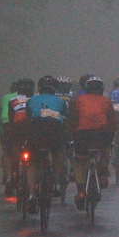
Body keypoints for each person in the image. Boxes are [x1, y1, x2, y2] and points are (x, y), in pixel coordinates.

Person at [68, 76, 117, 210]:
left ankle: (81, 191)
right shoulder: (106, 101)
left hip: (82, 135)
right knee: (105, 149)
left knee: (79, 160)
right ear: (101, 89)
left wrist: (72, 136)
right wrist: (110, 138)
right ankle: (102, 174)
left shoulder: (79, 100)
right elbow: (112, 123)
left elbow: (73, 121)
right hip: (101, 134)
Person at [26, 75, 68, 208]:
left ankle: (31, 194)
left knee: (32, 161)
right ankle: (55, 182)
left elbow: (28, 118)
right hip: (54, 129)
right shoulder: (61, 101)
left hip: (36, 129)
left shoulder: (32, 100)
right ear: (55, 89)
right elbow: (66, 118)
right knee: (58, 152)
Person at [8, 78, 35, 181]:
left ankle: (14, 170)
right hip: (32, 128)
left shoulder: (13, 100)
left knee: (16, 147)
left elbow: (11, 119)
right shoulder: (36, 99)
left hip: (18, 128)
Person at [0, 81, 19, 196]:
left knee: (6, 152)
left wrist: (4, 128)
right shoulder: (30, 97)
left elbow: (3, 115)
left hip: (8, 129)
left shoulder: (6, 98)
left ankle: (8, 177)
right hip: (26, 130)